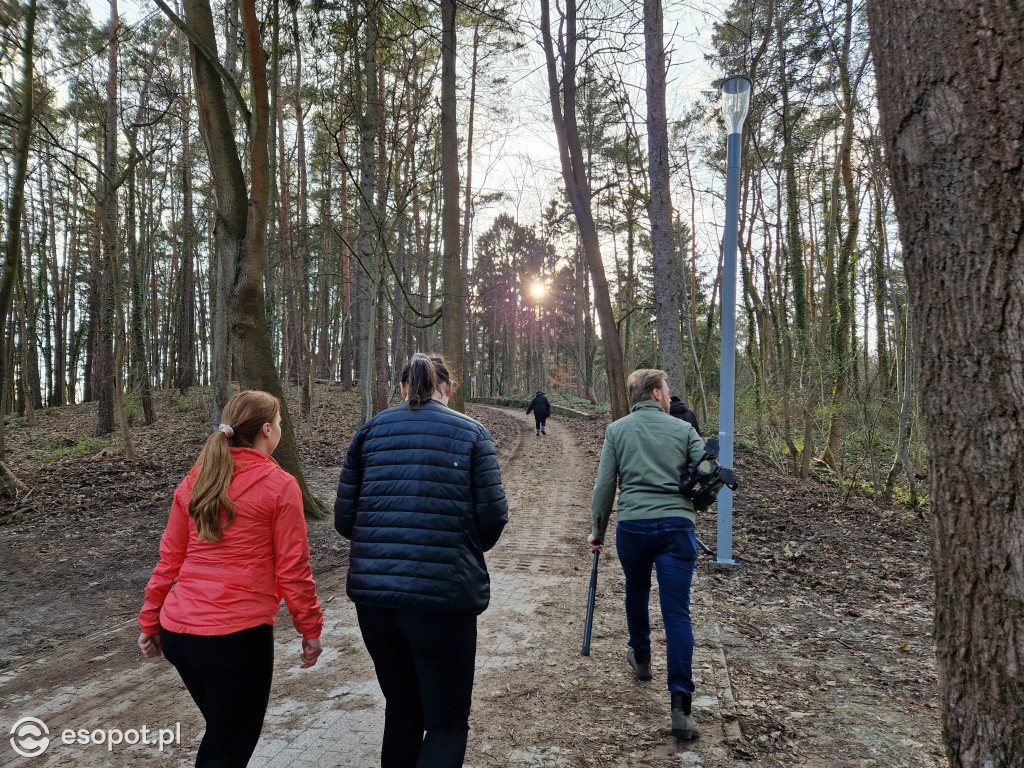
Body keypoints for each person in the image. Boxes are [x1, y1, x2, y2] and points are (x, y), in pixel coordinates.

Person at [335, 353, 508, 768]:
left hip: (375, 602)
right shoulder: (471, 434)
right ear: (447, 389)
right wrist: (457, 549)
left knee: (402, 711)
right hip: (443, 598)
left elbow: (345, 520)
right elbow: (493, 517)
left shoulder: (369, 432)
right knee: (446, 723)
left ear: (403, 388)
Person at [138, 390, 324, 768]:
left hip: (180, 634)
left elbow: (169, 559)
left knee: (224, 733)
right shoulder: (280, 484)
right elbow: (293, 569)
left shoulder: (196, 480)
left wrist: (150, 620)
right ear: (267, 430)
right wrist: (310, 629)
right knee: (228, 746)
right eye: (282, 425)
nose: (282, 431)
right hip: (235, 639)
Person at [588, 370, 705, 740]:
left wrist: (598, 530)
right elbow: (707, 473)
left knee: (636, 589)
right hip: (676, 527)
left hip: (634, 526)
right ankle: (681, 706)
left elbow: (605, 485)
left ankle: (640, 656)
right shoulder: (684, 430)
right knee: (677, 612)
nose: (670, 397)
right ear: (656, 393)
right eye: (667, 391)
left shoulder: (617, 430)